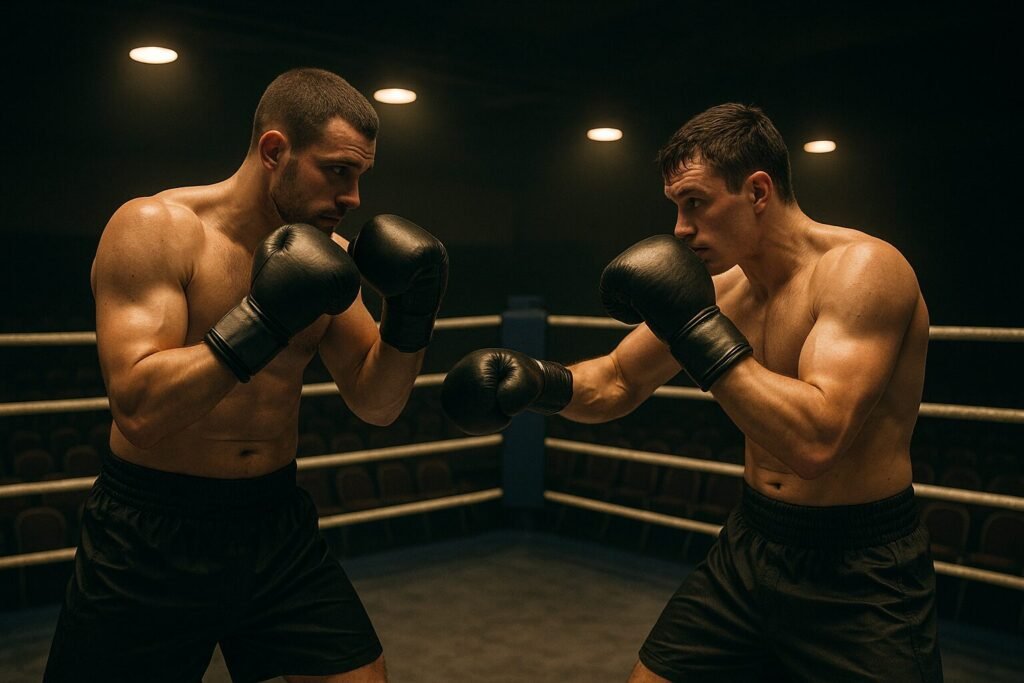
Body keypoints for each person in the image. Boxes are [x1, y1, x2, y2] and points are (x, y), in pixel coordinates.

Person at [441, 103, 941, 682]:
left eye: (696, 203)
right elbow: (618, 380)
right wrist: (535, 381)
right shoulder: (726, 291)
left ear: (757, 191)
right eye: (676, 207)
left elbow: (816, 441)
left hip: (862, 572)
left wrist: (695, 329)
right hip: (752, 544)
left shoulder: (864, 270)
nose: (681, 228)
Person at [44, 68, 448, 683]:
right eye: (338, 170)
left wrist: (411, 314)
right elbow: (140, 409)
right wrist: (264, 318)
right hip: (151, 532)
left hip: (273, 520)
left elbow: (377, 402)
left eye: (361, 175)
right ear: (274, 151)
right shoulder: (157, 228)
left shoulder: (329, 256)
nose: (354, 197)